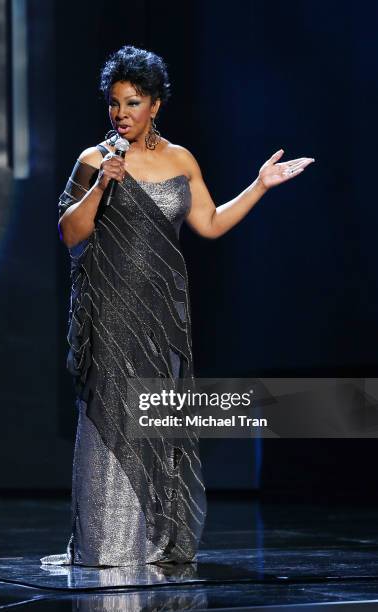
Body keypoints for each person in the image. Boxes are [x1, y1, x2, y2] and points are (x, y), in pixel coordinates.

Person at [40, 45, 315, 568]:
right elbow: (70, 233)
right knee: (111, 418)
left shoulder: (181, 160)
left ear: (155, 105)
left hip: (163, 315)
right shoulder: (94, 160)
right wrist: (102, 184)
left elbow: (209, 224)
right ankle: (106, 546)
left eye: (133, 102)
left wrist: (259, 186)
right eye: (115, 104)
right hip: (111, 312)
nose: (122, 113)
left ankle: (151, 540)